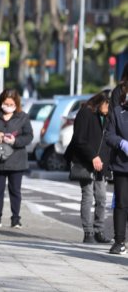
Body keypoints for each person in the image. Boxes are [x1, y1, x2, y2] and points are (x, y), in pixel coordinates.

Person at [64, 91, 112, 243]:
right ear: (101, 102)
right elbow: (79, 139)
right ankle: (88, 232)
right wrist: (92, 156)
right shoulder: (85, 113)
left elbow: (106, 142)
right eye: (108, 105)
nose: (109, 109)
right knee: (88, 196)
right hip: (85, 162)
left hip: (100, 164)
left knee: (102, 198)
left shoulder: (106, 117)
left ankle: (99, 230)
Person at [0, 89, 32, 228]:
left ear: (16, 104)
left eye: (11, 104)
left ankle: (16, 219)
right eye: (6, 103)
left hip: (16, 159)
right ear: (1, 102)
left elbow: (29, 136)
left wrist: (14, 141)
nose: (8, 106)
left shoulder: (23, 117)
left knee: (15, 190)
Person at [105, 81, 128, 255]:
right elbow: (109, 135)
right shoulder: (118, 113)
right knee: (121, 204)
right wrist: (121, 143)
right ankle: (119, 240)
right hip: (122, 165)